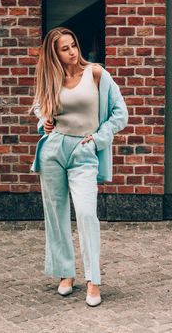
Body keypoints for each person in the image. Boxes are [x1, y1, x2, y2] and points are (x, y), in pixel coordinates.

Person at [30, 27, 128, 307]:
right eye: (65, 48)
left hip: (84, 152)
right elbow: (40, 107)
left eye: (73, 45)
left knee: (86, 214)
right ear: (54, 53)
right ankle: (65, 274)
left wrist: (99, 139)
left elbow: (121, 113)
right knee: (56, 214)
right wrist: (44, 122)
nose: (72, 51)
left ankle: (93, 280)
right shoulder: (51, 78)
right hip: (53, 150)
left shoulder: (96, 74)